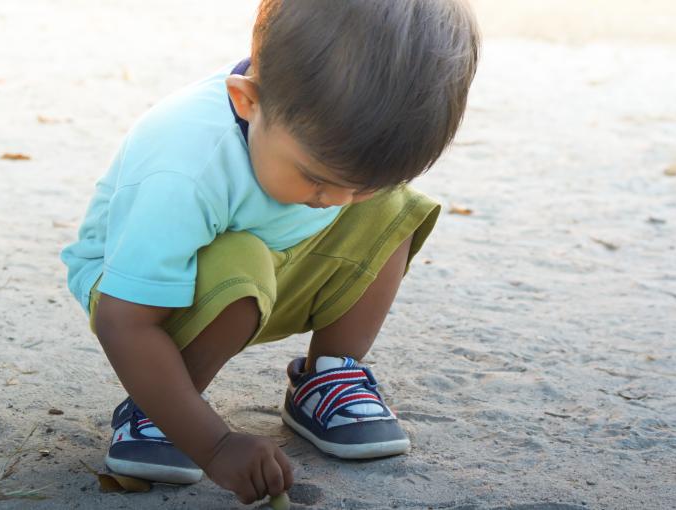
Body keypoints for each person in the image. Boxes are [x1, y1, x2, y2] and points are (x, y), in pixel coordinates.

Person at [60, 0, 479, 503]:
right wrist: (214, 446)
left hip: (277, 258)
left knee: (394, 209)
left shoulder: (320, 151)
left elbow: (350, 191)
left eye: (360, 185)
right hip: (145, 298)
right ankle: (163, 409)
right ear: (246, 102)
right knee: (242, 262)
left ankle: (326, 377)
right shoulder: (183, 168)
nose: (339, 203)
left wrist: (364, 192)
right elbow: (122, 321)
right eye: (318, 179)